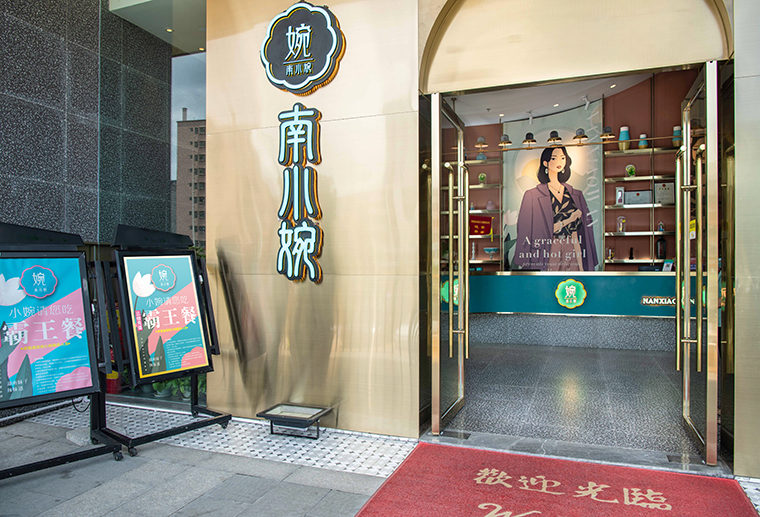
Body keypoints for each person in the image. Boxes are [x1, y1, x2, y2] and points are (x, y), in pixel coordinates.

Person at [513, 146, 598, 271]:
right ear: (545, 163)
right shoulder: (532, 195)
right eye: (554, 158)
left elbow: (579, 232)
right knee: (548, 282)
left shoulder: (576, 195)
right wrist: (569, 219)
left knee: (573, 280)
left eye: (562, 158)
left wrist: (582, 268)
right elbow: (529, 231)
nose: (559, 162)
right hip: (548, 248)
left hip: (572, 246)